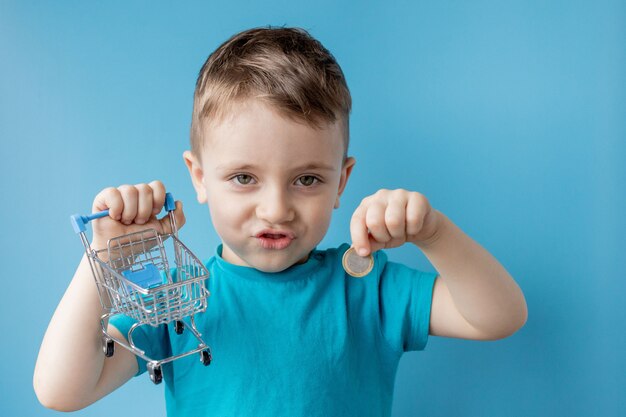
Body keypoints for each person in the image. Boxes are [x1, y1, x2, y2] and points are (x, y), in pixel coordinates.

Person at [34, 26, 527, 416]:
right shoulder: (180, 299)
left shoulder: (368, 289)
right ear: (200, 178)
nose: (275, 209)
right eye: (244, 177)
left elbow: (500, 316)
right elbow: (61, 390)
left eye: (307, 179)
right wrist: (103, 259)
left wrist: (434, 233)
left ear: (341, 182)